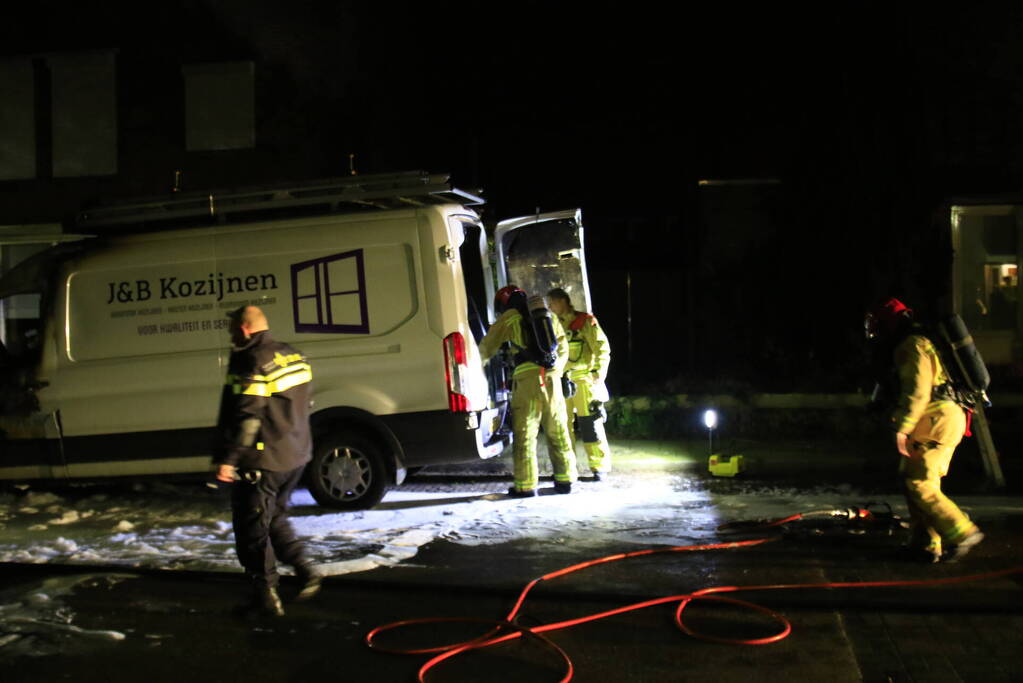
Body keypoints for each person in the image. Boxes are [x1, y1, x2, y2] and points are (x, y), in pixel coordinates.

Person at [216, 305, 322, 616]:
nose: (229, 334)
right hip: (296, 454)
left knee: (252, 530)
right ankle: (306, 571)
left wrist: (229, 459)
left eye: (232, 328)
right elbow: (306, 401)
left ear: (244, 329)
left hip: (263, 459)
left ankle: (265, 598)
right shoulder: (292, 354)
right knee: (274, 517)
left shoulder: (251, 361)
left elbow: (248, 416)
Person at [865, 297, 984, 563]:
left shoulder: (912, 346)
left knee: (920, 484)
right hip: (940, 419)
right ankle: (925, 544)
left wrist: (902, 427)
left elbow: (917, 393)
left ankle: (962, 532)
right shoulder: (920, 341)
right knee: (910, 479)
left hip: (935, 421)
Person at [479, 286, 577, 497]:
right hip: (551, 380)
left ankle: (525, 486)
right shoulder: (548, 315)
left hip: (526, 382)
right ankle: (565, 481)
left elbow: (486, 347)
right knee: (558, 430)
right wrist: (554, 371)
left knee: (526, 434)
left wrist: (473, 370)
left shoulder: (510, 317)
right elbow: (563, 348)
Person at [546, 288, 612, 480]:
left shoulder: (584, 322)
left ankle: (599, 467)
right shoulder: (552, 325)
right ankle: (568, 469)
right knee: (562, 427)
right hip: (561, 383)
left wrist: (599, 372)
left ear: (562, 302)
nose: (549, 307)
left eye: (552, 302)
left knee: (590, 424)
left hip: (584, 382)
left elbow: (602, 347)